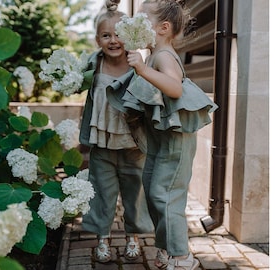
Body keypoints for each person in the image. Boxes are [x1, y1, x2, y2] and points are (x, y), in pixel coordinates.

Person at [124, 0, 218, 269]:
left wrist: (143, 69)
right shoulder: (154, 53)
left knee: (165, 195)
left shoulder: (164, 56)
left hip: (175, 141)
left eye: (142, 20)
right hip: (161, 140)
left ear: (163, 28)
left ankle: (182, 256)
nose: (136, 24)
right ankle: (166, 246)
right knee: (154, 193)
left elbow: (174, 89)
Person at [78, 0, 154, 264]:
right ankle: (103, 237)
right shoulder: (93, 64)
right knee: (101, 191)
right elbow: (75, 82)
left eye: (119, 34)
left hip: (133, 143)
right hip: (103, 144)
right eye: (106, 35)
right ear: (98, 39)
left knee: (136, 193)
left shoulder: (137, 63)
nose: (113, 40)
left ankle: (133, 236)